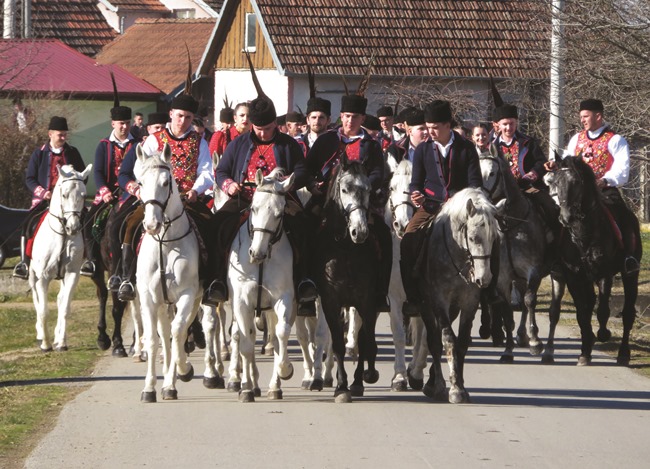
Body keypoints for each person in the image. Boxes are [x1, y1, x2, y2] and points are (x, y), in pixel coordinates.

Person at [204, 75, 313, 309]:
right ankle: (217, 282)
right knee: (216, 226)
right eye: (258, 129)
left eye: (268, 128)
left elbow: (303, 170)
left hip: (278, 199)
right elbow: (221, 171)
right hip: (244, 198)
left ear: (276, 123)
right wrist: (229, 185)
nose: (263, 133)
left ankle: (304, 281)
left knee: (304, 224)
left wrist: (290, 181)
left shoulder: (288, 144)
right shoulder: (239, 144)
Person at [115, 93, 215, 301]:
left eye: (188, 117)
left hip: (188, 199)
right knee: (129, 223)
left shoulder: (199, 142)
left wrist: (196, 190)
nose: (183, 121)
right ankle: (126, 277)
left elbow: (207, 171)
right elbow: (139, 167)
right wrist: (142, 190)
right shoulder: (154, 139)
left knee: (211, 226)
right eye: (179, 116)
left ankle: (210, 281)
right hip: (156, 199)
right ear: (171, 114)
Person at [306, 91, 392, 313]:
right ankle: (305, 284)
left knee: (383, 234)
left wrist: (363, 185)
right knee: (300, 227)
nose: (350, 121)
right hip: (326, 202)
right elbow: (308, 168)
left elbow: (377, 172)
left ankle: (380, 290)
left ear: (363, 119)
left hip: (360, 203)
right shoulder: (327, 140)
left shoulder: (371, 145)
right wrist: (312, 184)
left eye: (355, 117)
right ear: (340, 117)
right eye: (346, 116)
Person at [399, 100, 484, 316]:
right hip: (431, 206)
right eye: (427, 127)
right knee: (408, 239)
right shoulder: (422, 150)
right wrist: (417, 194)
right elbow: (416, 182)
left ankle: (491, 292)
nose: (430, 132)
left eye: (435, 127)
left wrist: (459, 201)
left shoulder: (466, 148)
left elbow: (475, 183)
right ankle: (413, 297)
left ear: (448, 125)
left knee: (490, 237)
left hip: (462, 208)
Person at [546, 98, 639, 273]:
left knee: (624, 215)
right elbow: (567, 160)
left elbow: (622, 168)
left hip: (605, 191)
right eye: (581, 117)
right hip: (579, 194)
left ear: (598, 116)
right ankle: (558, 258)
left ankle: (628, 256)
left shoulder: (615, 140)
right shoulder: (576, 139)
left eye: (585, 116)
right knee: (561, 216)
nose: (582, 120)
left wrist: (605, 180)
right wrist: (554, 164)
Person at [13, 116, 86, 279]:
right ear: (50, 134)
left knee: (86, 220)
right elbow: (30, 179)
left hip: (68, 202)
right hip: (44, 200)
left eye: (64, 134)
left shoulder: (73, 153)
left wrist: (75, 188)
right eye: (60, 134)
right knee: (27, 224)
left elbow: (82, 176)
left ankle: (88, 259)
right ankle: (24, 263)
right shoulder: (39, 153)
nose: (63, 137)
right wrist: (43, 192)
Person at [80, 95, 139, 277]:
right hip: (108, 193)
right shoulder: (103, 145)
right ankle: (91, 261)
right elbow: (97, 171)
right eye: (121, 123)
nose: (125, 127)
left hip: (130, 193)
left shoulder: (138, 145)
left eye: (127, 123)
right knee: (88, 223)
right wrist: (104, 191)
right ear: (112, 124)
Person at [492, 103, 560, 239]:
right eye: (504, 124)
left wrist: (533, 173)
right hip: (501, 191)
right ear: (498, 125)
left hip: (527, 188)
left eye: (511, 123)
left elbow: (541, 162)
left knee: (548, 204)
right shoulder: (492, 147)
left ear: (516, 123)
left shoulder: (528, 142)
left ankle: (553, 239)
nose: (508, 128)